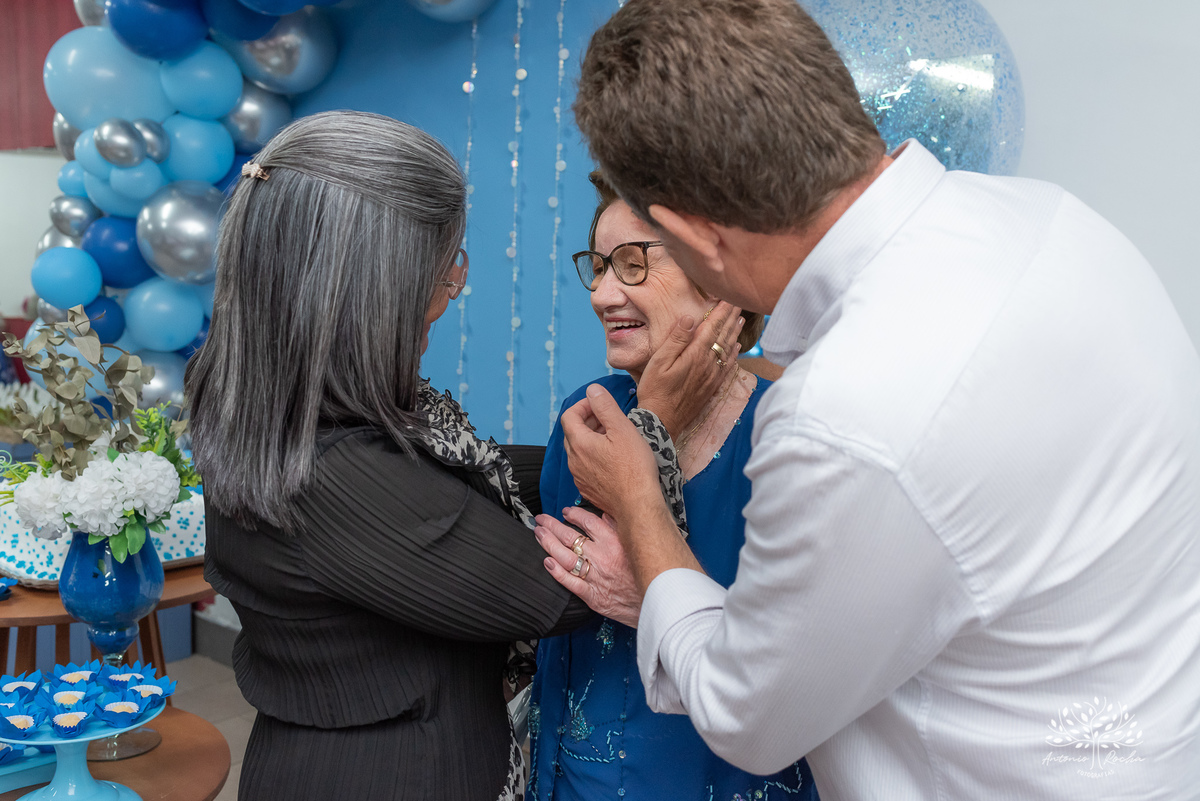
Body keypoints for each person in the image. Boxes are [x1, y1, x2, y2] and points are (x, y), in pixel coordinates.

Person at [535, 1, 1200, 798]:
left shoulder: (841, 417)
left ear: (695, 234)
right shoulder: (1057, 221)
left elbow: (745, 714)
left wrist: (642, 499)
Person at [186, 110, 741, 801]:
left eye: (633, 264)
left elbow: (478, 473)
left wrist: (616, 441)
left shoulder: (290, 413)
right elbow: (555, 588)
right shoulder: (335, 475)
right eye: (440, 275)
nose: (449, 295)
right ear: (366, 292)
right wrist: (653, 429)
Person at [527, 173, 817, 800]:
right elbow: (567, 615)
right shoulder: (587, 414)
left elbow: (800, 666)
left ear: (716, 275)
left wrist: (650, 597)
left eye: (633, 265)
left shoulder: (787, 435)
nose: (604, 294)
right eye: (599, 267)